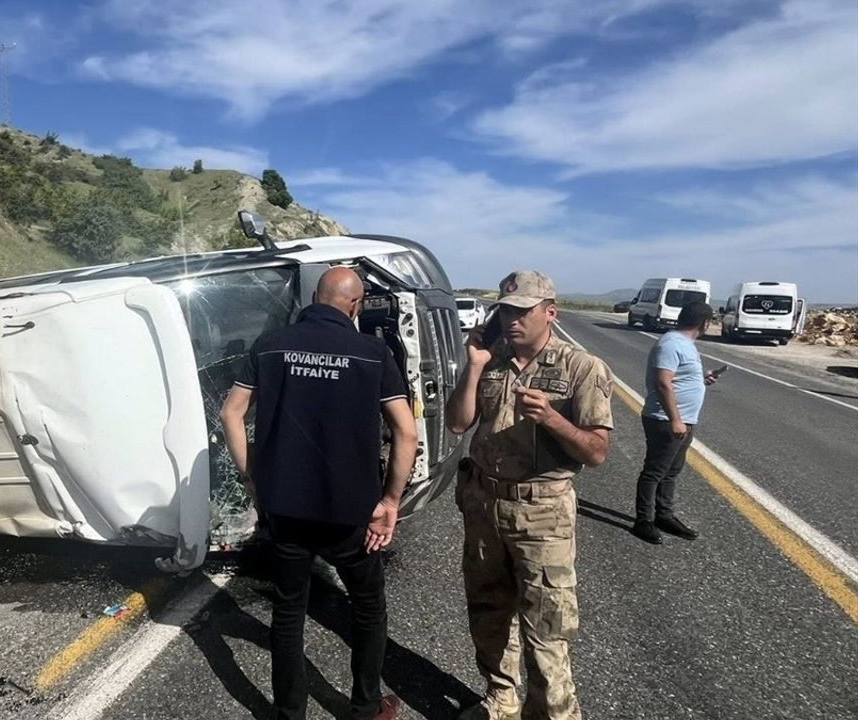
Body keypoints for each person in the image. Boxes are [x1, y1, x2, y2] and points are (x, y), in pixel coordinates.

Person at [220, 267, 417, 720]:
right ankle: (366, 707)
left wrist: (253, 476)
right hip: (350, 514)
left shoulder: (271, 344)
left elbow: (232, 413)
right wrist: (389, 502)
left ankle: (290, 713)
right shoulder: (372, 352)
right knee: (367, 606)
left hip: (285, 508)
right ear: (355, 304)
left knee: (289, 610)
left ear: (314, 297)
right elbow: (405, 433)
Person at [445, 271, 614, 720]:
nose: (512, 320)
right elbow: (458, 423)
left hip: (542, 512)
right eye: (506, 310)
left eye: (523, 311)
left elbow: (597, 451)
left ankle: (552, 714)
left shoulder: (581, 367)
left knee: (546, 627)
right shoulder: (492, 358)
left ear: (550, 313)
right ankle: (501, 697)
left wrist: (553, 421)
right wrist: (475, 364)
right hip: (484, 503)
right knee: (488, 609)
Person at [631, 302, 719, 544]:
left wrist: (702, 380)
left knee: (671, 472)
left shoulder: (684, 344)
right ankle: (643, 521)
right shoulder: (670, 344)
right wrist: (675, 419)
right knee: (655, 472)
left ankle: (664, 515)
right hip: (665, 420)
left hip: (684, 420)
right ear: (705, 323)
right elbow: (663, 383)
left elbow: (677, 378)